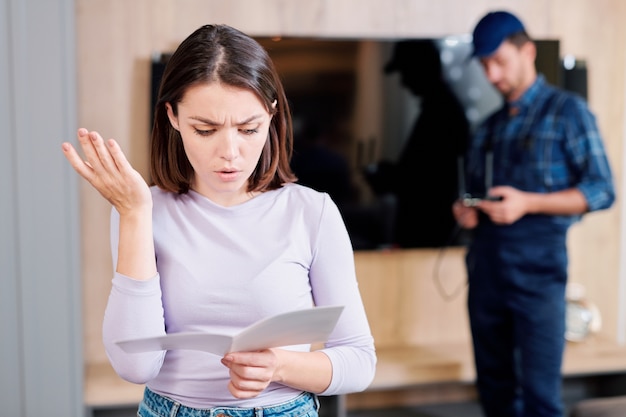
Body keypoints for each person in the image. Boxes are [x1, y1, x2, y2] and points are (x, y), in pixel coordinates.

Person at [61, 24, 376, 417]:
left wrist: (279, 366)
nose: (230, 152)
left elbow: (359, 362)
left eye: (248, 129)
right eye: (205, 129)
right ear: (172, 116)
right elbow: (136, 367)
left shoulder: (312, 212)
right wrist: (134, 214)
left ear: (272, 113)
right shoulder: (142, 210)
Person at [452, 10, 615, 417]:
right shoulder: (487, 128)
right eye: (485, 65)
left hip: (539, 278)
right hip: (486, 272)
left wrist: (530, 203)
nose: (492, 75)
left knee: (541, 397)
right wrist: (467, 210)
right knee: (494, 392)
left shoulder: (569, 113)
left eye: (500, 62)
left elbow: (602, 190)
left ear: (527, 53)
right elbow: (473, 192)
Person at [368, 39, 470, 248]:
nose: (403, 82)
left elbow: (429, 181)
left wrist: (390, 179)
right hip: (426, 234)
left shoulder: (442, 113)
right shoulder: (438, 109)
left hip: (430, 236)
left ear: (420, 68)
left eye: (405, 72)